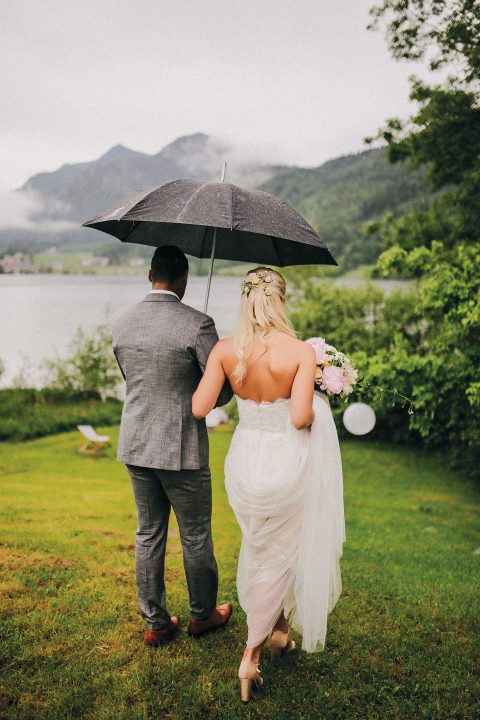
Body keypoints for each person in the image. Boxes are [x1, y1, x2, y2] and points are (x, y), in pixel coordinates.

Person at [192, 267, 346, 703]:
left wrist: (206, 366)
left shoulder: (224, 350)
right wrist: (317, 398)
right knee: (281, 553)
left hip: (245, 462)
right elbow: (300, 418)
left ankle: (278, 631)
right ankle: (251, 655)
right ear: (281, 300)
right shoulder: (299, 352)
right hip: (285, 459)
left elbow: (200, 407)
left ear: (246, 301)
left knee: (263, 545)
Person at [113, 245, 233, 647]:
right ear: (184, 279)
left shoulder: (123, 323)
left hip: (136, 444)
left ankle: (157, 623)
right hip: (181, 450)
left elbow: (134, 379)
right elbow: (219, 395)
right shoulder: (198, 324)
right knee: (196, 534)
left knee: (148, 533)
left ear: (150, 276)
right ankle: (203, 616)